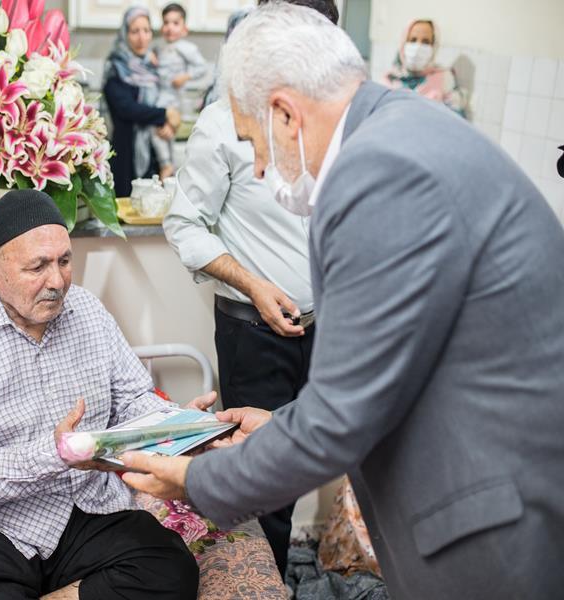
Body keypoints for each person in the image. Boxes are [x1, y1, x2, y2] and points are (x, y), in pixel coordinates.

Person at [122, 4, 564, 599]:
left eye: (254, 143)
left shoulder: (376, 171)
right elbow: (381, 379)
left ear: (285, 113)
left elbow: (339, 419)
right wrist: (279, 425)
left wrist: (194, 478)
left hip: (491, 525)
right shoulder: (400, 126)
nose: (258, 168)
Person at [0, 189, 211, 600]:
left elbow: (132, 399)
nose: (56, 281)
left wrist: (180, 426)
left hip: (82, 507)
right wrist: (55, 455)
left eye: (64, 261)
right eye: (37, 266)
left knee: (172, 569)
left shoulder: (88, 311)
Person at [163, 0, 338, 578]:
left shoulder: (332, 124)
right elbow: (184, 224)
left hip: (329, 329)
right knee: (263, 484)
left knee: (315, 456)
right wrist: (255, 284)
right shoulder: (224, 122)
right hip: (254, 334)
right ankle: (261, 582)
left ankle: (284, 575)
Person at [103, 6, 181, 197]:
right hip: (125, 156)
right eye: (135, 31)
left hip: (154, 155)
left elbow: (165, 97)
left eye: (146, 30)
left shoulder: (153, 66)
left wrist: (168, 125)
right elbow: (127, 108)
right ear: (125, 33)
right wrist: (164, 114)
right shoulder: (116, 67)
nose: (142, 37)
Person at [150, 3, 208, 179]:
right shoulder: (158, 46)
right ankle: (168, 166)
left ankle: (167, 164)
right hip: (161, 95)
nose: (170, 27)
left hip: (174, 98)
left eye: (175, 23)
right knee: (161, 132)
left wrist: (185, 76)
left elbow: (202, 67)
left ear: (184, 29)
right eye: (166, 22)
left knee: (159, 129)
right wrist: (151, 57)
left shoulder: (187, 47)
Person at [382, 19, 467, 117]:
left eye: (426, 42)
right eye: (413, 40)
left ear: (434, 46)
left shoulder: (445, 79)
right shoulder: (389, 79)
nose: (418, 46)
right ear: (403, 43)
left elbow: (456, 120)